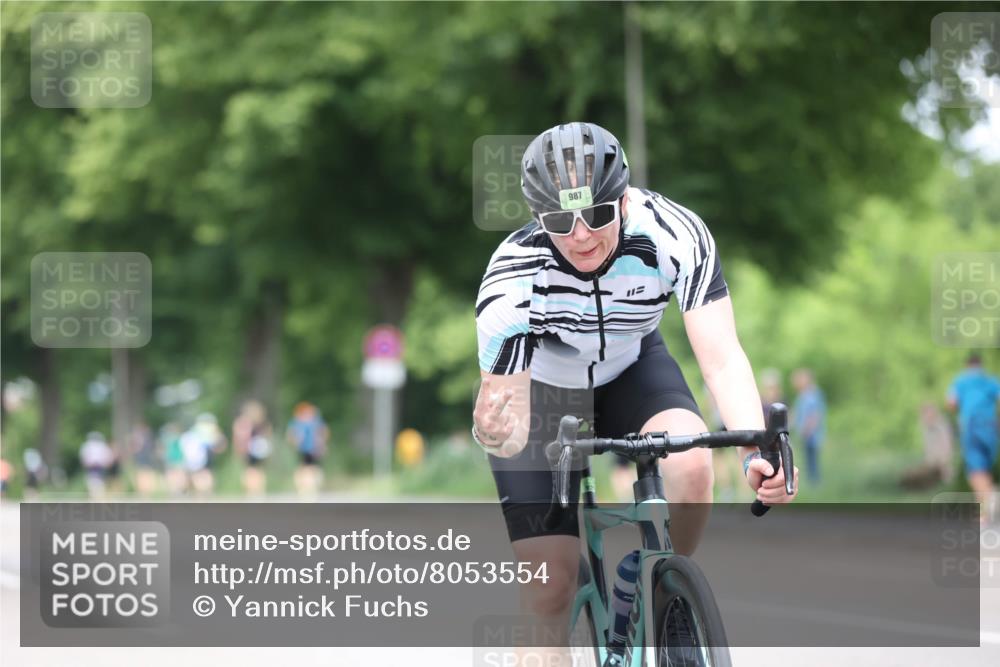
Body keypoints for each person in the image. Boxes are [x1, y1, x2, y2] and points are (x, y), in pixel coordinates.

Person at [472, 122, 798, 653]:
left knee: (692, 466)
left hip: (633, 366)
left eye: (597, 214)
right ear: (536, 218)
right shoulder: (512, 277)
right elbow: (505, 418)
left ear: (623, 201)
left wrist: (756, 447)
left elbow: (720, 359)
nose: (580, 235)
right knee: (550, 587)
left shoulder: (674, 232)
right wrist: (494, 430)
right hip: (544, 391)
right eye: (559, 220)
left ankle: (665, 593)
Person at [947, 353, 1000, 522]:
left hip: (971, 426)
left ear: (967, 365)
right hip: (990, 426)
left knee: (976, 471)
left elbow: (952, 403)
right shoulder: (990, 380)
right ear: (981, 365)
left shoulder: (961, 381)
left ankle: (986, 509)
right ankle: (988, 501)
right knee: (984, 469)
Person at [286, 402, 328, 498]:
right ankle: (307, 488)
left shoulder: (314, 421)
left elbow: (323, 432)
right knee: (307, 468)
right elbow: (291, 434)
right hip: (304, 448)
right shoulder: (300, 422)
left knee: (310, 468)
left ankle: (309, 488)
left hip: (313, 448)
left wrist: (322, 444)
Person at [791, 368, 826, 484]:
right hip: (807, 435)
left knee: (812, 463)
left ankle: (814, 485)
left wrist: (807, 430)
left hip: (811, 436)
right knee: (809, 462)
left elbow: (815, 415)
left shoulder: (811, 395)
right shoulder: (804, 395)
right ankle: (813, 484)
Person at [233, 400, 272, 496]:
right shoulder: (262, 421)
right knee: (259, 469)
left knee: (249, 470)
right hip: (261, 449)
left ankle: (250, 491)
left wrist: (238, 449)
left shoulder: (242, 421)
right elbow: (268, 434)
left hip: (248, 449)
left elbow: (238, 437)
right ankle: (259, 490)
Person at [79, 432, 114, 499]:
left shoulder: (89, 446)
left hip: (99, 468)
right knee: (94, 485)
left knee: (97, 485)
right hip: (94, 468)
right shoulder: (98, 446)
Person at [130, 421, 160, 496]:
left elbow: (135, 448)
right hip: (144, 457)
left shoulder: (142, 437)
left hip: (144, 457)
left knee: (144, 474)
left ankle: (145, 491)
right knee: (144, 474)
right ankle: (145, 491)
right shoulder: (147, 437)